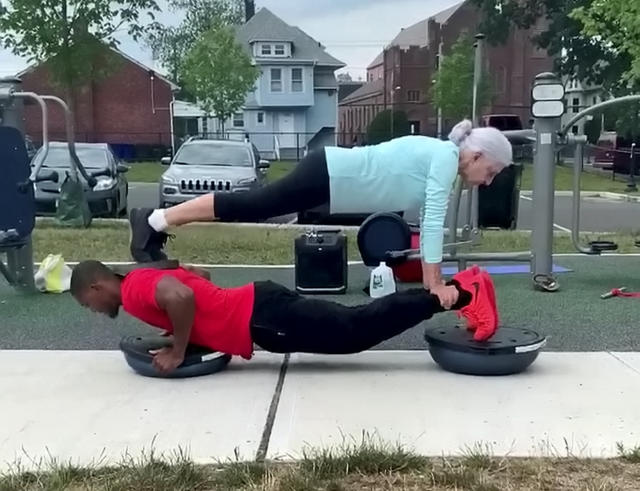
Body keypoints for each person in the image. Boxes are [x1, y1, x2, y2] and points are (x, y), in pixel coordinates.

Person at [128, 119, 513, 310]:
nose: (488, 180)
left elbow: (430, 219)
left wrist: (435, 279)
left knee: (252, 206)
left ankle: (157, 220)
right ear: (477, 156)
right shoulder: (445, 158)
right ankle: (154, 220)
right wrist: (433, 286)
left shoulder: (441, 156)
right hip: (328, 174)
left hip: (331, 178)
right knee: (252, 206)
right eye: (491, 172)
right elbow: (432, 223)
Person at [70, 261, 498, 375]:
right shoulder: (142, 276)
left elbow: (181, 292)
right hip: (260, 305)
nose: (94, 310)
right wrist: (197, 323)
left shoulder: (132, 291)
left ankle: (459, 294)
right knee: (355, 326)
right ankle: (461, 287)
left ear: (95, 287)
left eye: (88, 304)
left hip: (262, 317)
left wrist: (180, 347)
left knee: (356, 330)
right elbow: (194, 276)